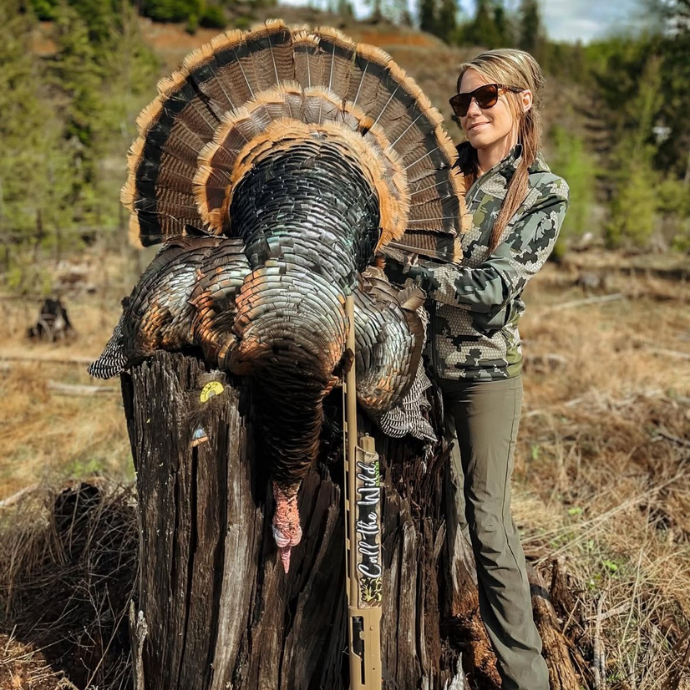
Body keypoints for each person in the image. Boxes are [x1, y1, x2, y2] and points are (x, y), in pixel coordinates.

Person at [386, 49, 569, 689]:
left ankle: (527, 678)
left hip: (484, 376)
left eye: (485, 97)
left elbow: (495, 288)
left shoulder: (542, 192)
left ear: (521, 99)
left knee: (487, 520)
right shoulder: (441, 180)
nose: (470, 111)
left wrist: (417, 273)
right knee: (413, 506)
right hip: (415, 370)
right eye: (461, 101)